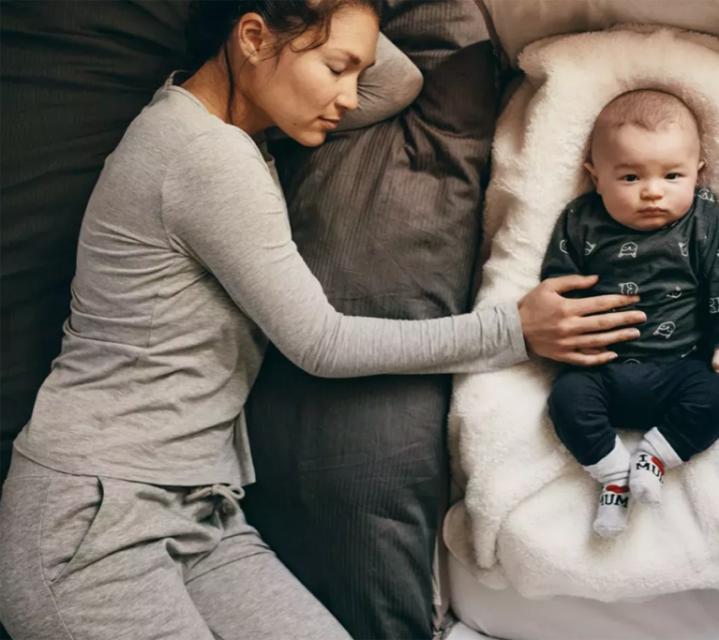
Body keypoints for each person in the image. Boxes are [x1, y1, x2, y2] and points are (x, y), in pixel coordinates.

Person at [0, 1, 648, 638]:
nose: (348, 94)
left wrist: (342, 27)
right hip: (95, 517)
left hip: (197, 511)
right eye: (337, 68)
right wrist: (512, 331)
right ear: (251, 35)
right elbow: (322, 342)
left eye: (352, 71)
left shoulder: (234, 126)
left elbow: (398, 81)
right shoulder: (203, 155)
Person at [541, 89, 719, 538]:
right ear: (595, 177)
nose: (653, 192)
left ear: (698, 173)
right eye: (631, 177)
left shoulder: (701, 217)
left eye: (672, 175)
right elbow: (556, 287)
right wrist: (568, 337)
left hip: (681, 367)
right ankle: (613, 474)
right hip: (601, 367)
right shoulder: (579, 220)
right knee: (565, 402)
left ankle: (653, 457)